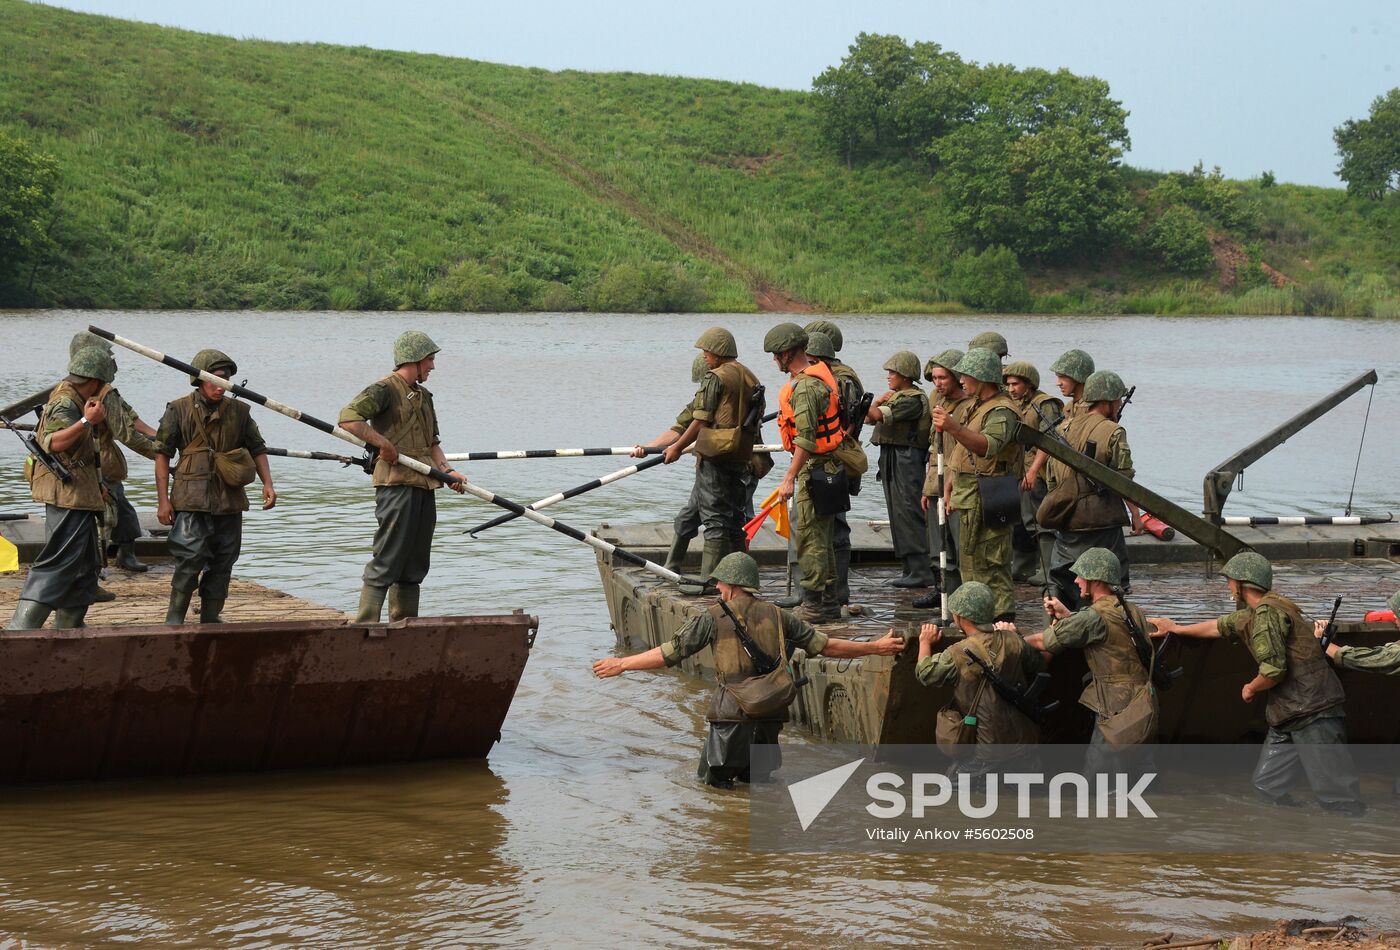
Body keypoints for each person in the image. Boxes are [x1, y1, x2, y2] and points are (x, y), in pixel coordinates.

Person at [592, 552, 904, 788]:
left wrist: (622, 664)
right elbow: (826, 646)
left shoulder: (712, 617)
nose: (716, 586)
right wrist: (875, 647)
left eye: (719, 581)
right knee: (758, 786)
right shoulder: (778, 615)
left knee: (712, 788)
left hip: (732, 716)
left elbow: (669, 653)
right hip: (770, 714)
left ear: (731, 585)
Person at [1150, 552, 1364, 814]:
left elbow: (1274, 671)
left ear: (1242, 584)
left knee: (1338, 797)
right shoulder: (1267, 608)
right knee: (1267, 788)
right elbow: (1218, 626)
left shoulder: (1266, 614)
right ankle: (1295, 844)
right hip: (1289, 713)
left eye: (1230, 581)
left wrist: (1250, 687)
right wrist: (1175, 628)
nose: (1228, 586)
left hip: (1313, 710)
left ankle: (1349, 848)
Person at [340, 331, 465, 624]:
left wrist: (447, 472)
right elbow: (348, 418)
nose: (433, 367)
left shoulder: (424, 397)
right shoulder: (383, 389)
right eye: (430, 360)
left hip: (425, 483)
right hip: (396, 485)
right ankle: (366, 624)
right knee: (388, 556)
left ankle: (404, 624)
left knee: (415, 562)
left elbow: (433, 443)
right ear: (415, 360)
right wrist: (382, 443)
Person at [155, 348, 277, 625]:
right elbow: (162, 454)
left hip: (229, 499)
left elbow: (258, 448)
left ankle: (210, 617)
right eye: (215, 379)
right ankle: (174, 619)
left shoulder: (240, 412)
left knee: (224, 560)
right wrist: (163, 501)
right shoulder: (178, 409)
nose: (220, 386)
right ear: (198, 380)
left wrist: (268, 484)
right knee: (190, 558)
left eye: (226, 380)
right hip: (191, 498)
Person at [632, 327, 759, 581]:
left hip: (716, 462)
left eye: (706, 352)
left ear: (718, 354)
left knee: (716, 522)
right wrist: (649, 448)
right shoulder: (749, 377)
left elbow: (697, 422)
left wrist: (677, 448)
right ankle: (673, 568)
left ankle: (710, 582)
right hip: (739, 460)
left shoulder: (717, 378)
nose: (704, 356)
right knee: (695, 517)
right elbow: (682, 424)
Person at [5, 347, 116, 630]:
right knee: (58, 562)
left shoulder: (78, 398)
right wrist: (86, 421)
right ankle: (20, 630)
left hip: (81, 492)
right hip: (68, 496)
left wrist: (97, 483)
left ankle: (68, 627)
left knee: (86, 565)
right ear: (95, 382)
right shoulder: (67, 403)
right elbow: (52, 442)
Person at [1022, 548, 1158, 774]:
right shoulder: (1131, 610)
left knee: (1098, 782)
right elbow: (1103, 628)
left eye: (1081, 575)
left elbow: (1043, 642)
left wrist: (1006, 639)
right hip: (1143, 702)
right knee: (1140, 777)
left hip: (1114, 707)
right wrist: (1068, 615)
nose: (1076, 580)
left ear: (1095, 580)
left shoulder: (1093, 617)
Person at [765, 322, 849, 623]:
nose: (775, 361)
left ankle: (813, 604)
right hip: (825, 467)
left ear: (788, 354)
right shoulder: (818, 380)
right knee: (823, 538)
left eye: (777, 355)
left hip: (814, 470)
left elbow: (805, 438)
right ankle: (827, 602)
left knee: (811, 537)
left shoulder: (805, 388)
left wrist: (789, 477)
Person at [917, 581, 1043, 777]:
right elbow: (1037, 665)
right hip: (1026, 748)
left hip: (987, 755)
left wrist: (924, 642)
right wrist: (1014, 634)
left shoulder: (958, 652)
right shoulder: (1013, 641)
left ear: (959, 618)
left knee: (954, 792)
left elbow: (926, 675)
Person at [933, 347, 1022, 621]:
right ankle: (976, 617)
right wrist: (949, 482)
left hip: (991, 493)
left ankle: (1000, 619)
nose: (961, 381)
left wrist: (953, 427)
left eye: (966, 376)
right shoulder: (977, 405)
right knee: (971, 560)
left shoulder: (1002, 411)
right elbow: (963, 454)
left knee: (991, 562)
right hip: (970, 492)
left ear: (982, 378)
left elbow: (987, 447)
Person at [1043, 370, 1145, 610]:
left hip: (1066, 520)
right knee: (1111, 584)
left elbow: (1051, 478)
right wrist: (1136, 515)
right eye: (1118, 400)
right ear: (1107, 402)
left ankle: (1062, 628)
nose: (1120, 404)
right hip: (1102, 524)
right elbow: (1124, 481)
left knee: (1064, 582)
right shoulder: (1113, 431)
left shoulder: (1063, 428)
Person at [68, 331, 159, 579]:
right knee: (107, 515)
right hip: (98, 461)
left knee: (121, 509)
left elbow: (130, 418)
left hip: (87, 461)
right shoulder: (101, 392)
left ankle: (118, 556)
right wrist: (159, 454)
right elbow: (126, 433)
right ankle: (98, 565)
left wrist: (161, 437)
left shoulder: (82, 388)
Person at [801, 328, 863, 612]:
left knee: (834, 527)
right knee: (827, 526)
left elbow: (846, 422)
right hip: (831, 458)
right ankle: (830, 592)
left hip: (834, 461)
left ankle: (837, 593)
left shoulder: (839, 379)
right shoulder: (835, 376)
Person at [866, 350, 932, 588]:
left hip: (907, 457)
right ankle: (909, 568)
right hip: (893, 455)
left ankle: (921, 569)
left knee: (908, 511)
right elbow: (869, 419)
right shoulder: (899, 396)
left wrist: (871, 403)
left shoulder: (911, 399)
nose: (889, 377)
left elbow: (874, 415)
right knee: (897, 514)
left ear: (905, 375)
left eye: (893, 372)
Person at [914, 349, 968, 611]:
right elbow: (935, 448)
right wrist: (929, 487)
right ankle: (941, 591)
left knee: (957, 546)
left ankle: (959, 600)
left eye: (943, 378)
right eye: (935, 378)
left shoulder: (969, 406)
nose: (938, 383)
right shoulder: (939, 402)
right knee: (938, 546)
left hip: (959, 485)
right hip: (938, 480)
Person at [1004, 360, 1061, 586]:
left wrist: (1034, 470)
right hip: (1020, 469)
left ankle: (1046, 569)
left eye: (1015, 384)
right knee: (1020, 521)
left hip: (1039, 472)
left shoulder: (1044, 404)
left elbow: (1050, 441)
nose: (1010, 389)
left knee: (1040, 521)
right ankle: (1023, 567)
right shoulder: (1020, 404)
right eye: (1008, 385)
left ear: (1029, 384)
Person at [1025, 348, 1094, 496]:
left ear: (1078, 377)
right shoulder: (1069, 407)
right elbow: (1052, 439)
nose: (1058, 383)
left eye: (1063, 377)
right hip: (1062, 481)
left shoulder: (1092, 410)